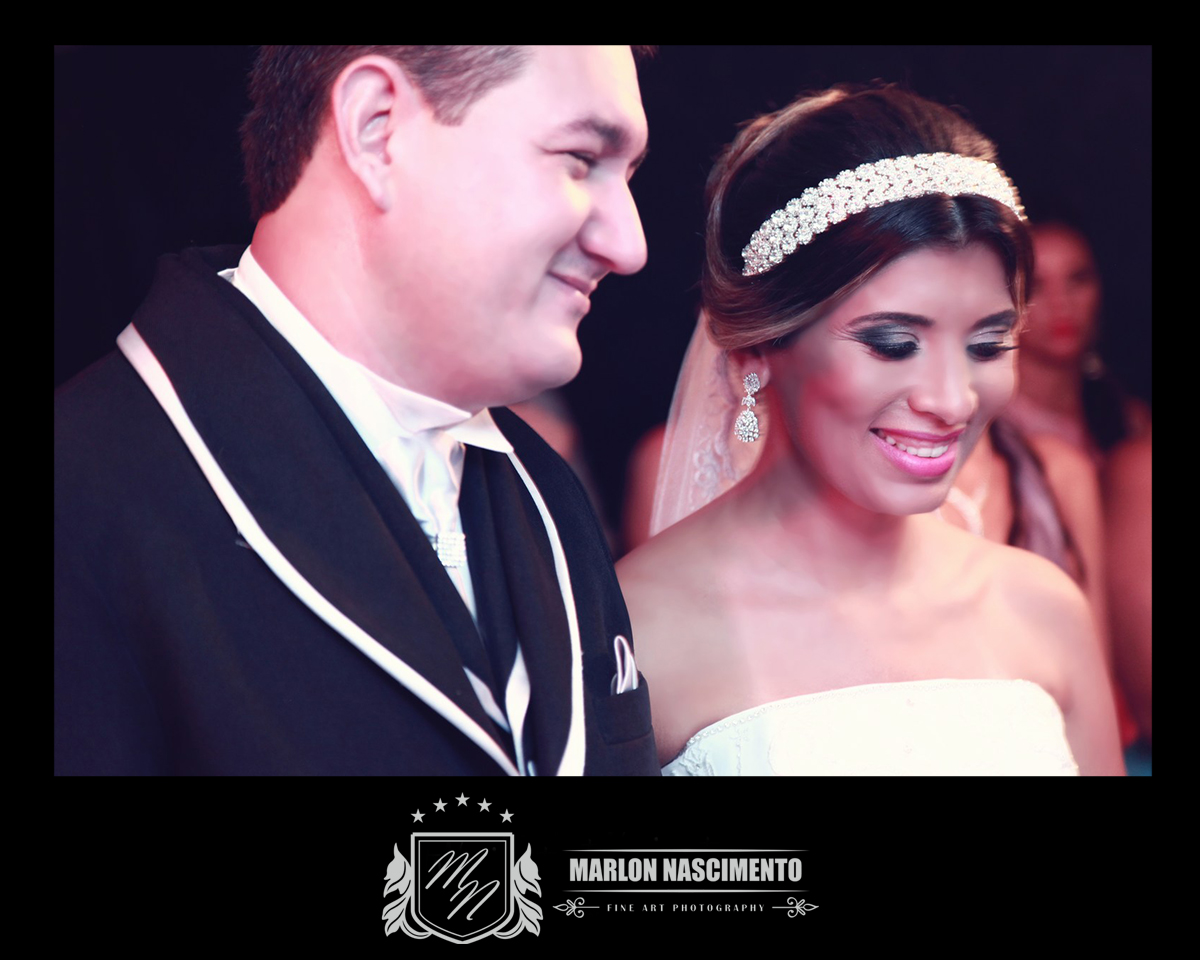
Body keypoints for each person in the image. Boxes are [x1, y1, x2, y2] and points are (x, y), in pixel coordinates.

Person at [54, 45, 658, 776]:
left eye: (628, 176)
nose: (629, 247)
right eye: (580, 160)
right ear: (377, 129)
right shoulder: (86, 496)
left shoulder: (550, 500)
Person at [616, 84, 1124, 776]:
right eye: (893, 344)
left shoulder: (1042, 607)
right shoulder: (636, 632)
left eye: (987, 345)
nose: (952, 400)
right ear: (757, 351)